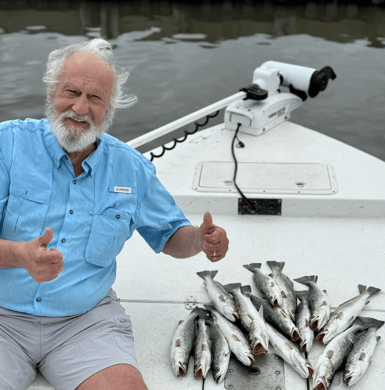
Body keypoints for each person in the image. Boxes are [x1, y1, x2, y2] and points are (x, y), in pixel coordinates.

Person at [0, 38, 229, 390]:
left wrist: (199, 238)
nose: (79, 107)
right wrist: (18, 254)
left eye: (94, 98)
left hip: (85, 323)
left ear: (109, 109)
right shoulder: (7, 145)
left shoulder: (131, 169)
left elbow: (170, 235)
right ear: (51, 94)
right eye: (71, 92)